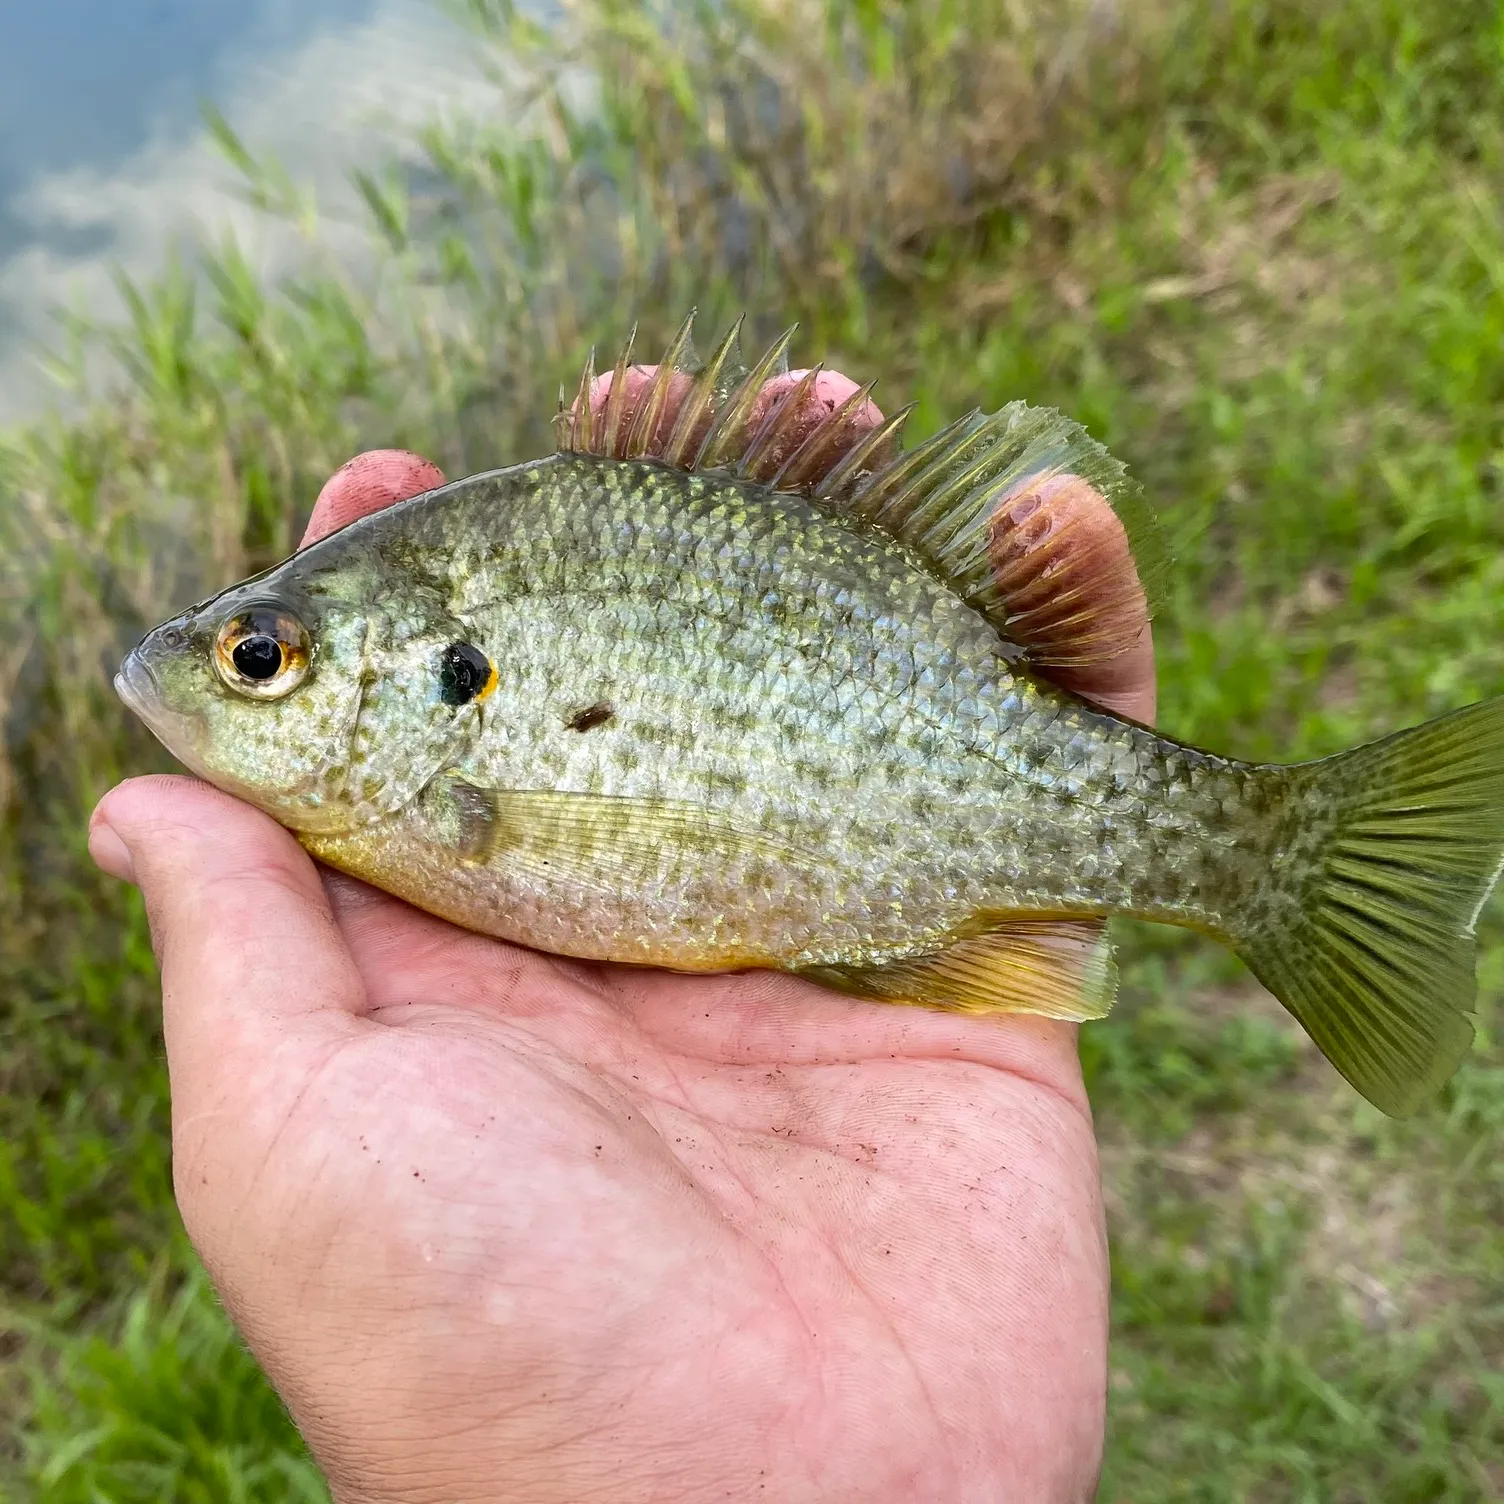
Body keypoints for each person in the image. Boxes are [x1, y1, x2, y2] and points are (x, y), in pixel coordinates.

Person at [89, 365, 1155, 1503]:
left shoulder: (417, 802)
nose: (211, 675)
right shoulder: (402, 802)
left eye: (261, 660)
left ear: (437, 676)